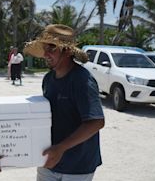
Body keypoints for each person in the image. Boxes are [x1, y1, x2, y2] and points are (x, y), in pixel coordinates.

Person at [23, 24, 105, 181]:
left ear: (67, 51)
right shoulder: (48, 79)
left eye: (52, 48)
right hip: (49, 161)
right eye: (45, 48)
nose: (46, 54)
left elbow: (96, 122)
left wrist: (60, 148)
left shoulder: (82, 80)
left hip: (78, 166)